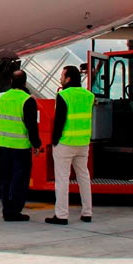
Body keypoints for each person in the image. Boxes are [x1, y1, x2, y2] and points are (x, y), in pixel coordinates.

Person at [46, 65, 94, 225]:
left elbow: (59, 121)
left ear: (68, 79)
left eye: (62, 76)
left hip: (66, 143)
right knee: (84, 177)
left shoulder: (63, 95)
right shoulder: (89, 95)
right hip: (83, 143)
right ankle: (87, 213)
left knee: (62, 180)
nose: (60, 78)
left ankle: (61, 215)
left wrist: (54, 140)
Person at [0, 70, 41, 222]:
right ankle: (14, 211)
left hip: (4, 145)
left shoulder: (3, 98)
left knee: (6, 180)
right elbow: (31, 125)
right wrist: (36, 144)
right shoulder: (27, 100)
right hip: (20, 147)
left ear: (11, 82)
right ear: (25, 83)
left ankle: (6, 209)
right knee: (19, 181)